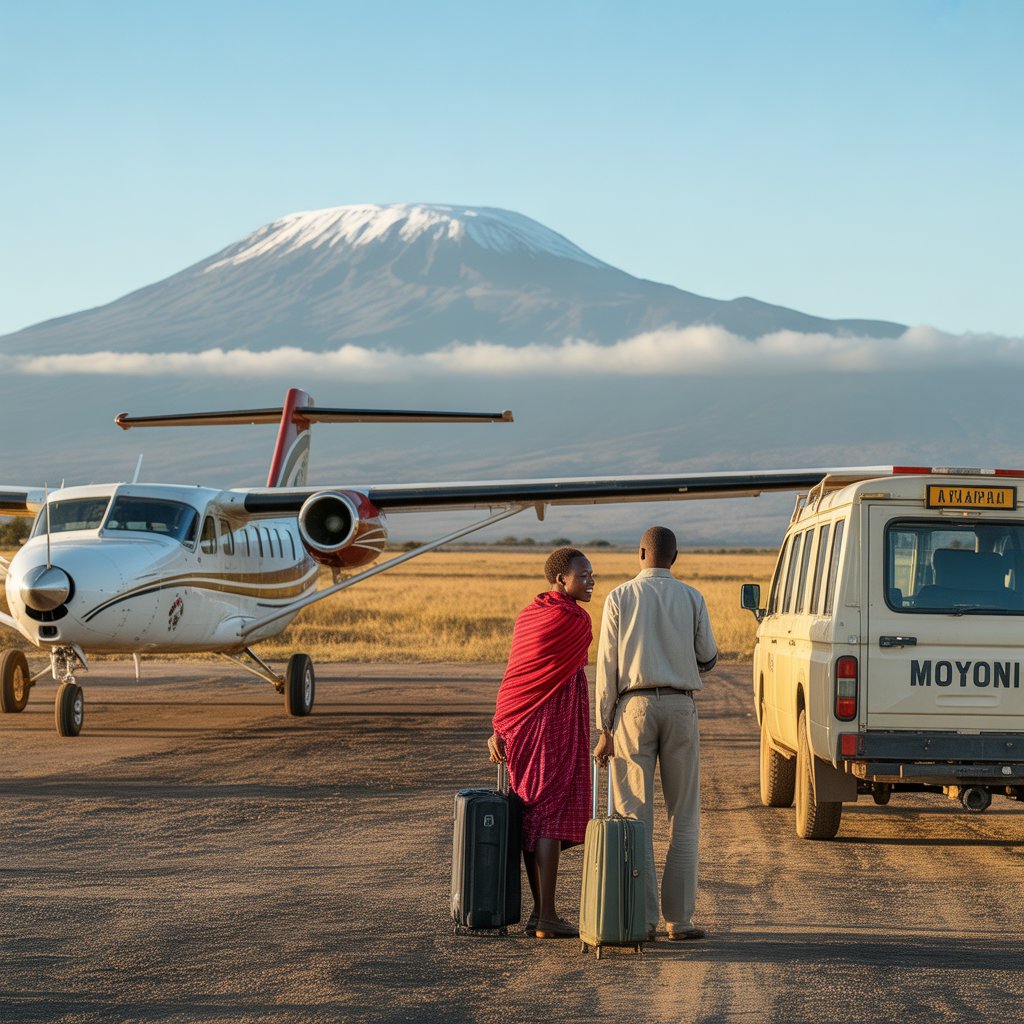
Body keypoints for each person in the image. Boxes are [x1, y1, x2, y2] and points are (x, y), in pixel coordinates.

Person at [593, 525, 717, 941]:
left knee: (634, 815)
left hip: (632, 708)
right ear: (675, 558)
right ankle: (679, 921)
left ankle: (640, 919)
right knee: (684, 816)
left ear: (640, 553)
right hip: (681, 705)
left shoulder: (619, 597)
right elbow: (708, 657)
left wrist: (604, 727)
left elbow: (606, 667)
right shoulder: (692, 597)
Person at [488, 547, 595, 939]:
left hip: (519, 723)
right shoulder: (575, 619)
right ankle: (546, 914)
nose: (591, 581)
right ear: (561, 580)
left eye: (592, 574)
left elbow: (515, 674)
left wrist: (500, 726)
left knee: (533, 812)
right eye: (583, 575)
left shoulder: (529, 614)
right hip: (551, 720)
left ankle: (540, 913)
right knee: (547, 813)